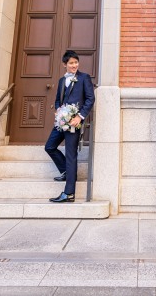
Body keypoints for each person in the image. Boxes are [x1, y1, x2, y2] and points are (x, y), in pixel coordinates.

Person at [46, 50, 95, 203]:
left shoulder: (84, 78)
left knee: (71, 154)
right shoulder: (62, 80)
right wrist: (58, 112)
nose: (74, 65)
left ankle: (69, 193)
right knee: (50, 146)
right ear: (64, 65)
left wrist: (79, 117)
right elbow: (57, 100)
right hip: (61, 122)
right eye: (71, 63)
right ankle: (67, 172)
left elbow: (90, 98)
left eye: (76, 62)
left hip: (74, 122)